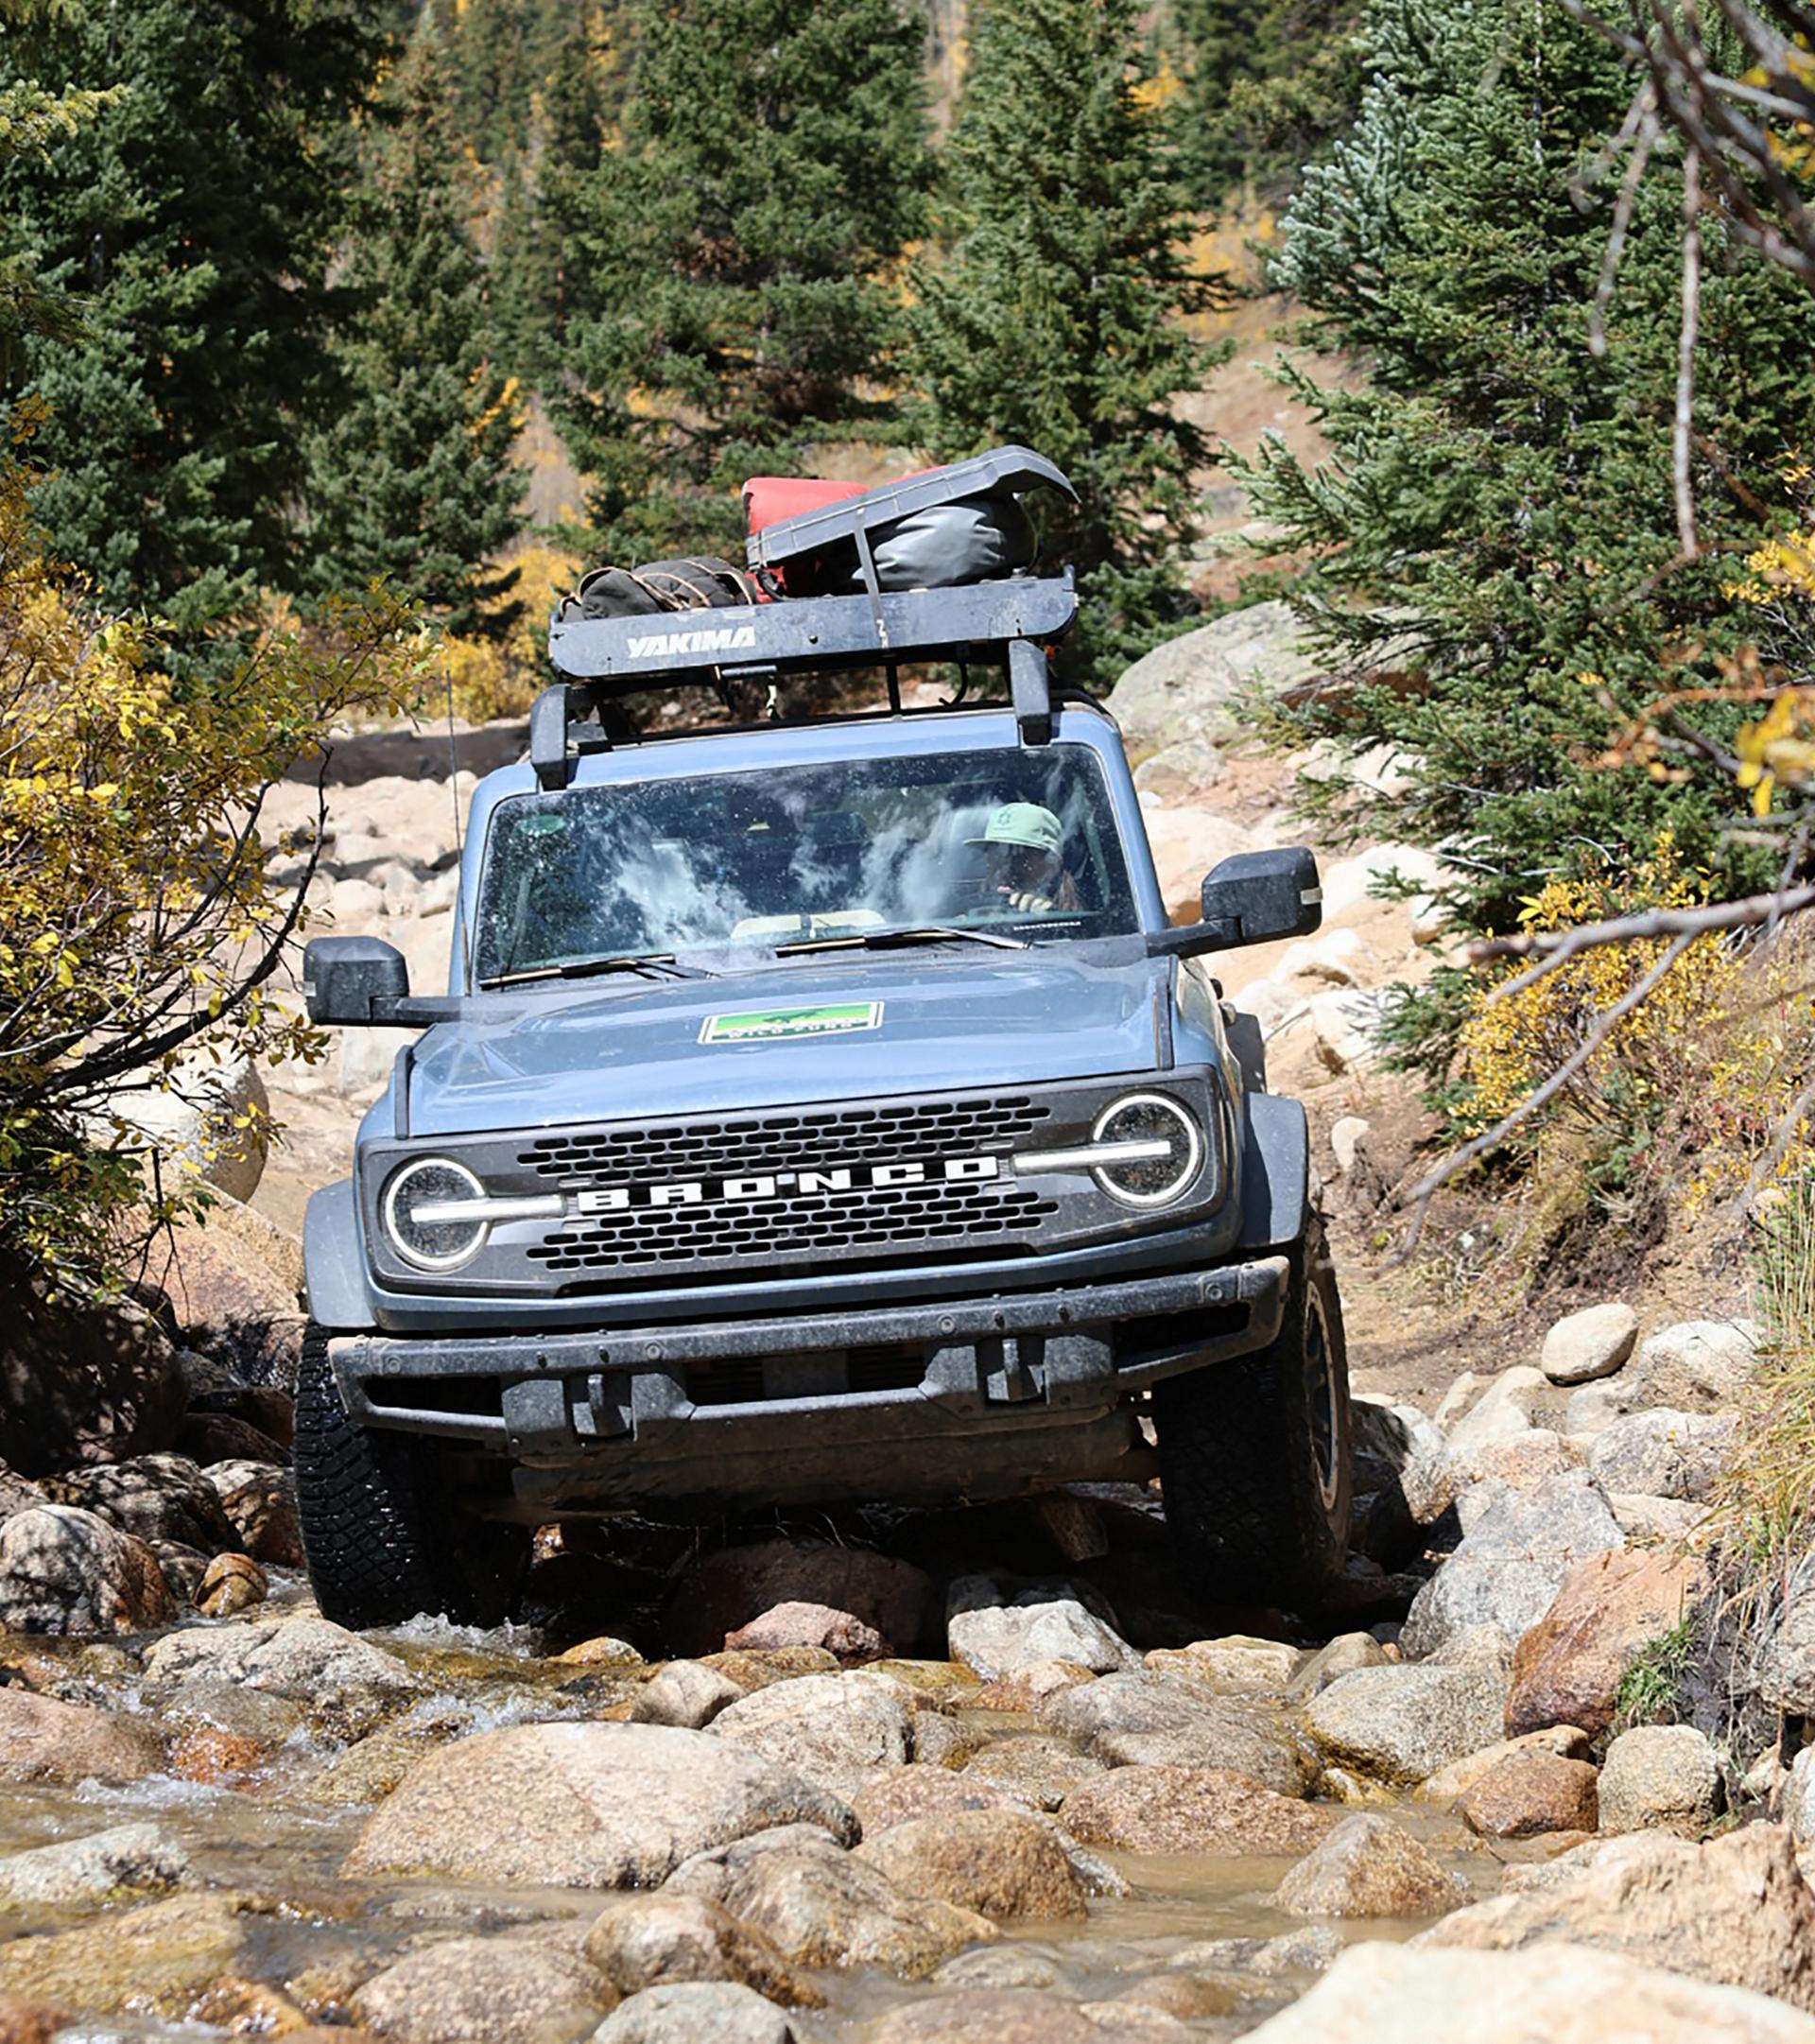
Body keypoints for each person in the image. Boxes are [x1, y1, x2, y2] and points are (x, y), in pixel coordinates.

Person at [966, 801, 1079, 912]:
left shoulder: (1076, 918)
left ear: (1054, 863)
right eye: (996, 857)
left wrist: (1048, 916)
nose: (1004, 872)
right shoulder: (964, 917)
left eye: (1020, 858)